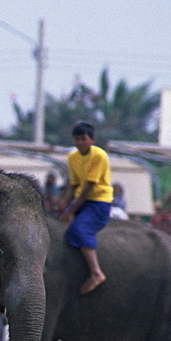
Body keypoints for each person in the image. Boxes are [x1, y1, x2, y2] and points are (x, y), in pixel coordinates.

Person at [57, 121, 113, 294]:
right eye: (77, 139)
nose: (80, 142)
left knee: (79, 229)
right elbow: (74, 185)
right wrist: (64, 203)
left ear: (92, 140)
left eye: (84, 139)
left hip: (98, 201)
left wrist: (71, 210)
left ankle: (96, 272)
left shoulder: (99, 156)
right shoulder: (72, 158)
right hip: (81, 201)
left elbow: (89, 186)